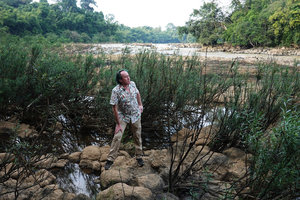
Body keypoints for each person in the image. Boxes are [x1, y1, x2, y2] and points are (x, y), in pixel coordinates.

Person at [104, 69, 144, 170]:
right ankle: (110, 160)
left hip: (135, 115)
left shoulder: (133, 84)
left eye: (128, 76)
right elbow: (114, 108)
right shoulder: (116, 90)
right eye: (126, 77)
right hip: (123, 116)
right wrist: (118, 123)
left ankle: (139, 156)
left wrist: (140, 104)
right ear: (120, 80)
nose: (128, 78)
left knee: (137, 135)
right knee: (117, 136)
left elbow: (138, 94)